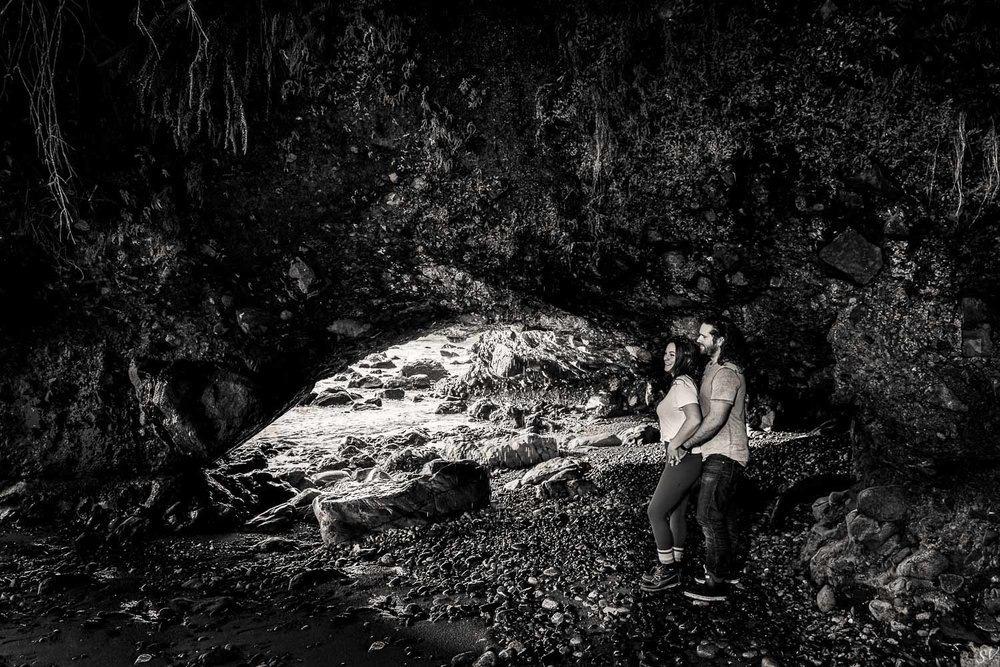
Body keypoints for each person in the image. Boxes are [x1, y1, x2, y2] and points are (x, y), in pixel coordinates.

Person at [678, 316, 749, 603]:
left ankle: (715, 583)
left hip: (726, 454)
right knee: (724, 516)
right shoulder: (712, 368)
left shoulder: (727, 373)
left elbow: (716, 419)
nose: (698, 340)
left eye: (705, 335)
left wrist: (685, 444)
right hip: (720, 453)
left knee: (707, 515)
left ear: (720, 340)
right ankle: (725, 570)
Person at [639, 337, 703, 592]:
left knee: (655, 511)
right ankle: (675, 564)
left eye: (672, 353)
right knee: (676, 512)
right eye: (665, 352)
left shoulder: (683, 383)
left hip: (685, 456)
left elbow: (695, 418)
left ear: (684, 357)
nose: (666, 357)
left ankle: (666, 570)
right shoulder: (679, 384)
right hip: (685, 454)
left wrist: (675, 444)